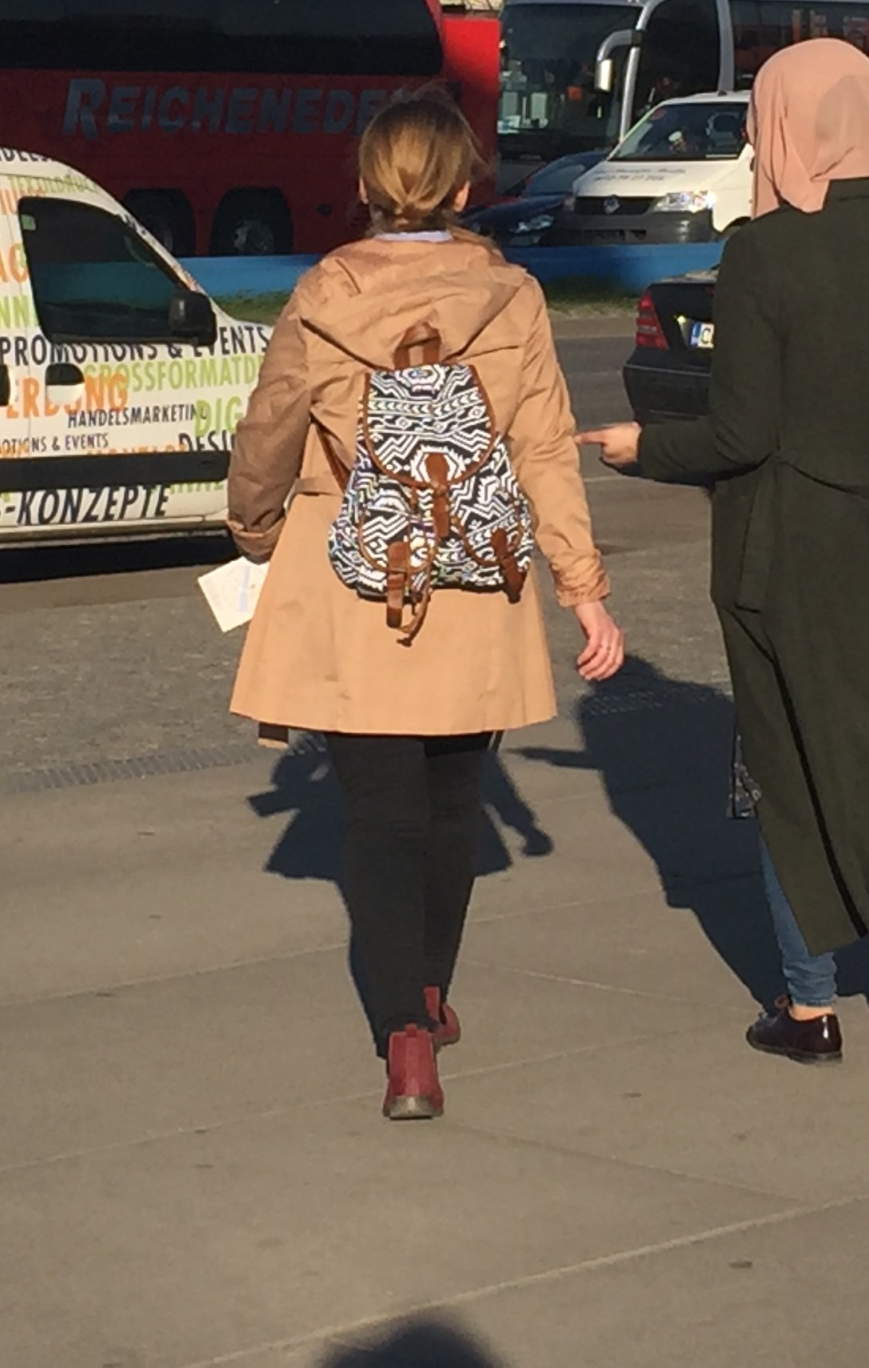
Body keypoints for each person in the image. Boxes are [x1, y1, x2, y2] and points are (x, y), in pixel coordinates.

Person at [581, 40, 869, 1075]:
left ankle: (808, 1002)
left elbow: (740, 434)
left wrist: (644, 448)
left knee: (792, 768)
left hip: (799, 552)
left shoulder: (769, 251)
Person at [227, 93, 625, 1120]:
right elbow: (544, 447)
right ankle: (433, 991)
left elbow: (271, 427)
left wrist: (256, 527)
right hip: (472, 578)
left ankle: (404, 1034)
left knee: (379, 814)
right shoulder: (514, 297)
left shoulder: (323, 291)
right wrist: (580, 587)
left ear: (363, 186)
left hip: (353, 579)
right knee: (452, 806)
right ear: (462, 187)